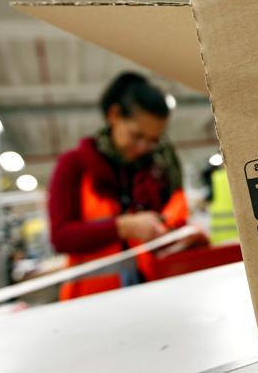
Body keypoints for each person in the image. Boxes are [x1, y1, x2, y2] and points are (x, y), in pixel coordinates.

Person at [48, 72, 188, 300]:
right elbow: (61, 236)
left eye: (154, 140)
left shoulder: (159, 171)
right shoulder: (74, 165)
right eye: (137, 135)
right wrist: (123, 227)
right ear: (114, 115)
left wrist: (184, 236)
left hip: (157, 292)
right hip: (92, 303)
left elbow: (176, 218)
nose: (144, 147)